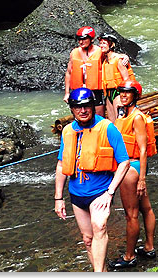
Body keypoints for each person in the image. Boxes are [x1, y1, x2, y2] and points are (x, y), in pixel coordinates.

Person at [55, 88, 131, 272]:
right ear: (72, 109)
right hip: (77, 194)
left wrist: (110, 192)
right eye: (78, 107)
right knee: (88, 239)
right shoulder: (67, 132)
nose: (83, 110)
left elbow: (124, 162)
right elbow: (60, 165)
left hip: (100, 192)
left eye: (86, 106)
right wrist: (58, 198)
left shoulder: (107, 128)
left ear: (93, 106)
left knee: (100, 226)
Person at [108, 80, 158, 269]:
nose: (123, 95)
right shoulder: (122, 114)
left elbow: (143, 150)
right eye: (121, 92)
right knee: (146, 208)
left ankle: (129, 256)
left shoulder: (136, 117)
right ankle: (149, 247)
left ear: (135, 96)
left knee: (131, 215)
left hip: (131, 169)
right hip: (130, 167)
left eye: (128, 93)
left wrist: (142, 180)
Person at [66, 26, 106, 117]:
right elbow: (69, 73)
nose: (81, 42)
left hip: (96, 90)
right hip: (78, 90)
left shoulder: (100, 51)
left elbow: (112, 58)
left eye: (84, 39)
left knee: (99, 117)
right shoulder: (74, 52)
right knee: (80, 115)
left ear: (91, 39)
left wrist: (123, 56)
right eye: (79, 39)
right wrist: (67, 93)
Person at [97, 34, 135, 123]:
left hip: (118, 92)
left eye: (104, 43)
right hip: (108, 93)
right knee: (112, 121)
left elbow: (126, 79)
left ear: (111, 45)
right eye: (100, 43)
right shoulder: (105, 61)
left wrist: (125, 96)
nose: (101, 45)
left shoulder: (119, 60)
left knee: (120, 120)